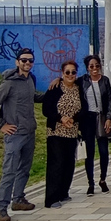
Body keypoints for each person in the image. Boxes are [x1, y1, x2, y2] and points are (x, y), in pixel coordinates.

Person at [0, 47, 44, 221]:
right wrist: (1, 125)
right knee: (9, 171)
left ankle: (18, 199)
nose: (27, 63)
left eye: (30, 60)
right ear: (17, 62)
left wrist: (52, 92)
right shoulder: (9, 83)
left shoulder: (30, 80)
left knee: (24, 169)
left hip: (29, 131)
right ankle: (1, 209)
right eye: (24, 60)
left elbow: (32, 97)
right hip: (14, 134)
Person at [42, 60, 86, 208]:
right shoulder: (55, 88)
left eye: (73, 72)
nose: (70, 75)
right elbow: (46, 109)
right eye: (67, 72)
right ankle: (51, 198)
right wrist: (61, 119)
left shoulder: (78, 88)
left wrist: (73, 119)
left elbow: (84, 109)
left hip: (72, 131)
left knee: (69, 163)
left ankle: (63, 192)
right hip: (56, 132)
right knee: (56, 164)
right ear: (62, 73)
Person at [79, 55, 111, 196]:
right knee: (90, 153)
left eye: (97, 66)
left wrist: (109, 118)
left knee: (104, 151)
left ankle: (103, 179)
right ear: (87, 67)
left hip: (102, 117)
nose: (94, 69)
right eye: (91, 66)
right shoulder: (82, 81)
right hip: (88, 119)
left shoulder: (105, 81)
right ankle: (90, 183)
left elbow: (109, 101)